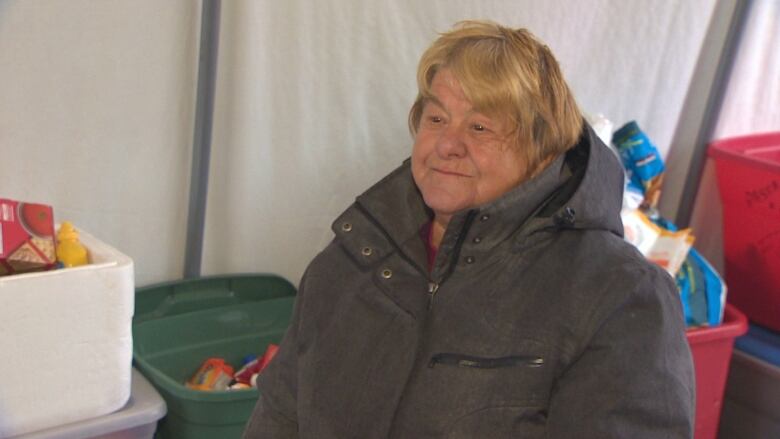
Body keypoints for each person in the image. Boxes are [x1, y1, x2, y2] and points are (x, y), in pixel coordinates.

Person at [244, 20, 695, 438]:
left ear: (542, 154)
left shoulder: (618, 295)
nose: (447, 144)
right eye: (436, 119)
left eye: (480, 127)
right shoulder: (352, 260)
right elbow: (280, 416)